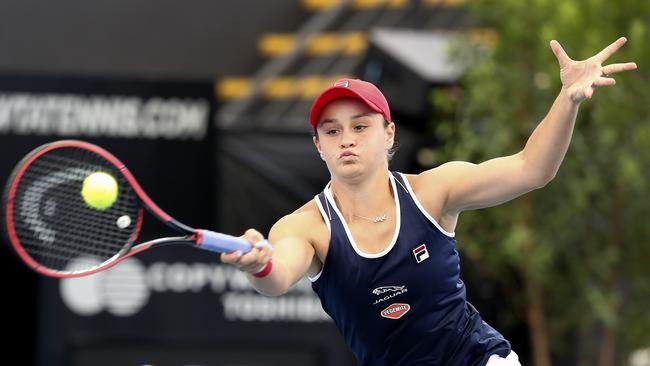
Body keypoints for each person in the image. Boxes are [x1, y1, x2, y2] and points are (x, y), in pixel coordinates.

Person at [220, 37, 637, 365]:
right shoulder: (305, 226)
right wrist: (260, 265)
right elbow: (277, 277)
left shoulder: (433, 191)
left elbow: (533, 168)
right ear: (318, 146)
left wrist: (567, 99)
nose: (346, 138)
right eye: (331, 131)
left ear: (388, 134)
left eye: (360, 126)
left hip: (478, 358)